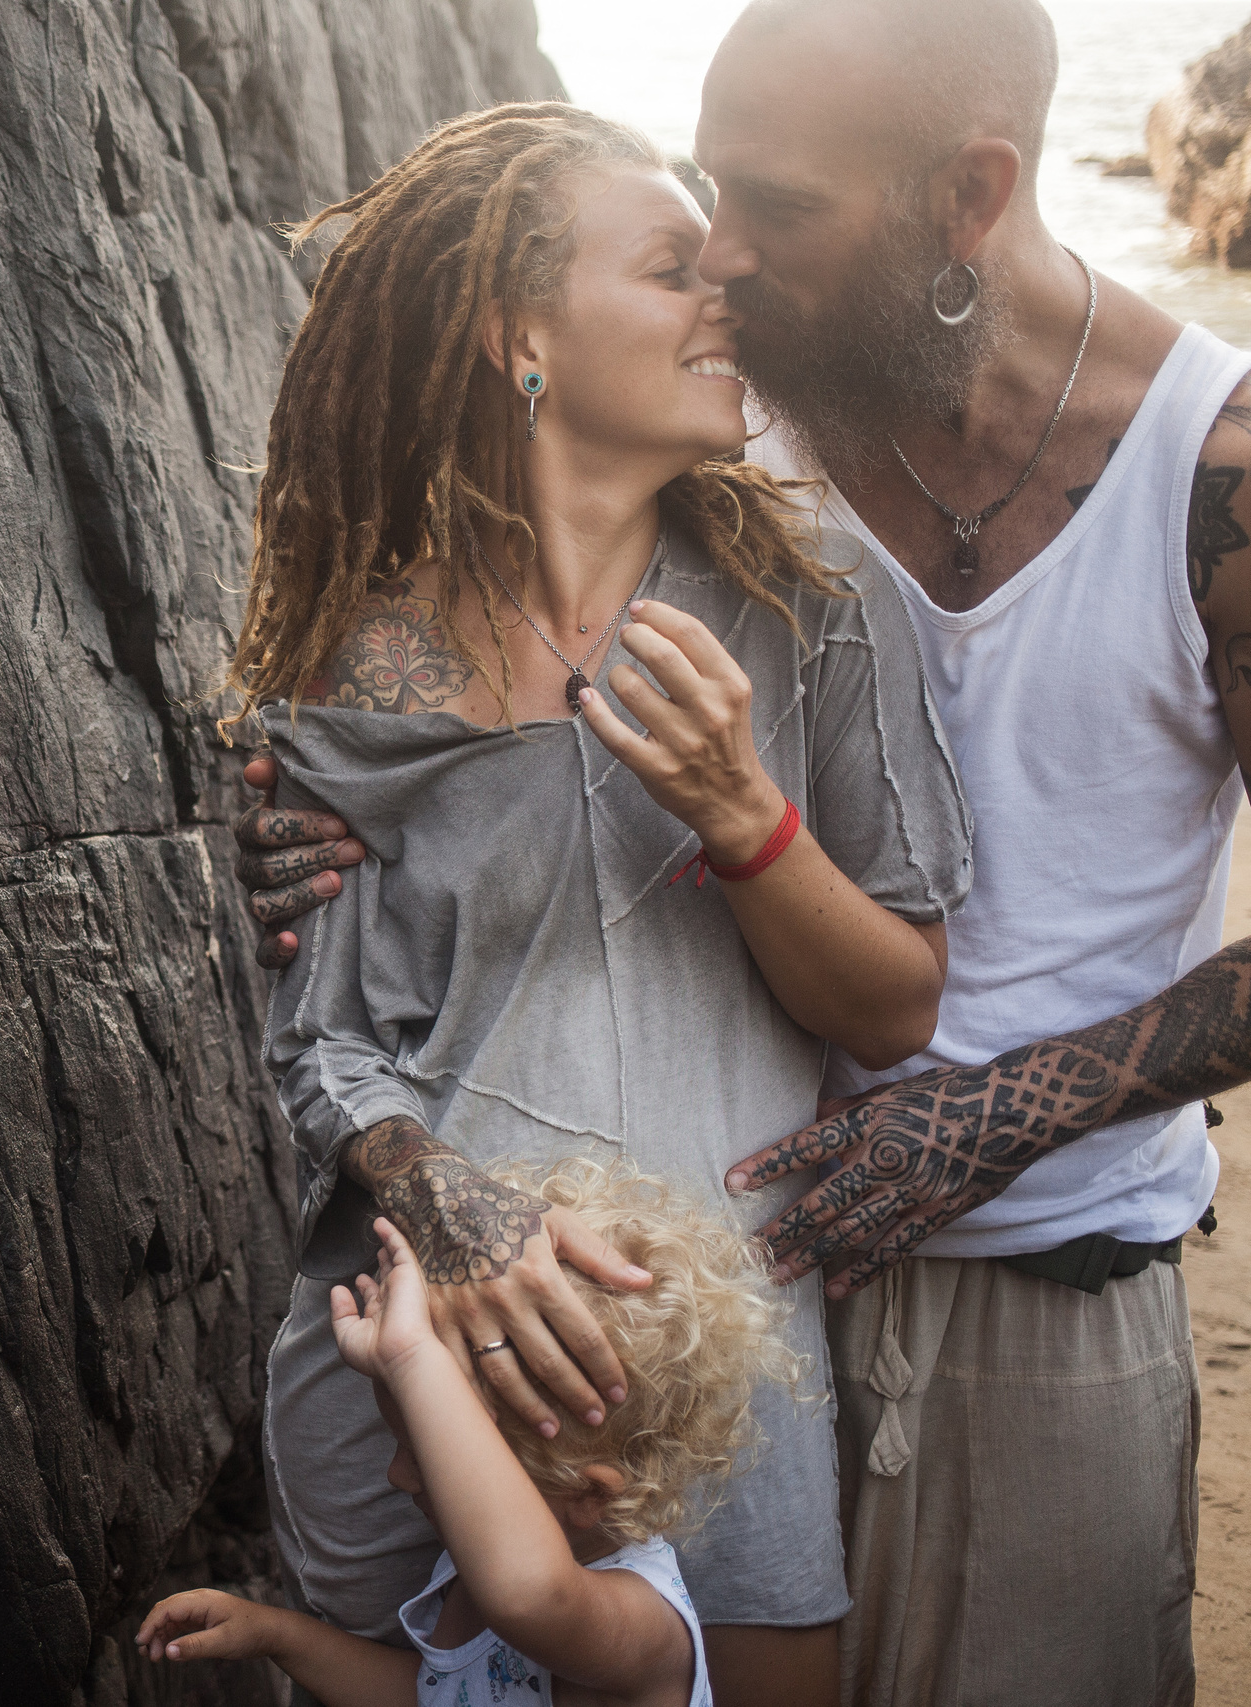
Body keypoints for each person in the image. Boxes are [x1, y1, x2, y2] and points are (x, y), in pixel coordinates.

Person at [235, 3, 1251, 1700]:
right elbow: (348, 986)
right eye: (701, 209)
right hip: (564, 1308)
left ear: (969, 196)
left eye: (769, 205)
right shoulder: (739, 417)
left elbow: (889, 973)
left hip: (951, 1294)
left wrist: (972, 1096)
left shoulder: (1159, 490)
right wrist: (322, 824)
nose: (726, 259)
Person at [219, 100, 972, 1707]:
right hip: (421, 1364)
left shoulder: (819, 610)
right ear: (522, 336)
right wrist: (444, 1202)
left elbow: (898, 1002)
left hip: (714, 1372)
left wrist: (741, 810)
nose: (728, 293)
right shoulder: (368, 662)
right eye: (672, 267)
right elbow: (323, 1040)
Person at [139, 1161, 796, 1707]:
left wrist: (413, 1357)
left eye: (426, 1451)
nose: (398, 1474)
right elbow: (436, 1694)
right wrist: (276, 1635)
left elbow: (529, 1596)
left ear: (588, 1494)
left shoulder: (644, 1628)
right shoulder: (470, 1566)